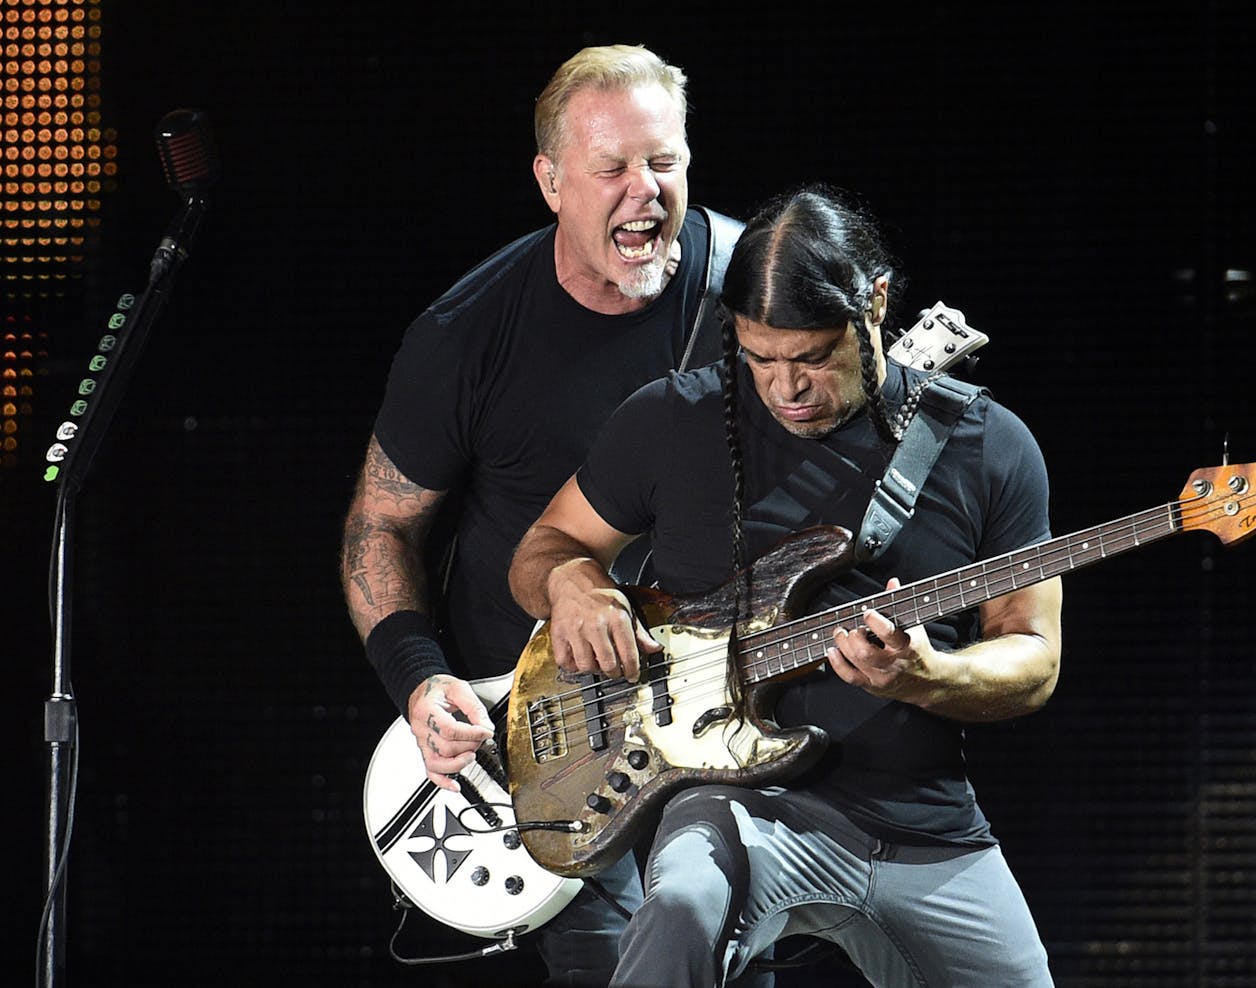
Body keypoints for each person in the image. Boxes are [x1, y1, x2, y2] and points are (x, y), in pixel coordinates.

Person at [507, 184, 1063, 987]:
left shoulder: (989, 445)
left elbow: (1033, 658)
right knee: (683, 904)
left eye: (811, 358)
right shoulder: (668, 421)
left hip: (921, 821)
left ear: (874, 305)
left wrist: (930, 676)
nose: (785, 388)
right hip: (735, 802)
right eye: (758, 358)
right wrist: (572, 583)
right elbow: (545, 544)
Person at [340, 43, 742, 986]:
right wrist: (420, 681)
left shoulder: (755, 291)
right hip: (553, 739)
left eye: (665, 162)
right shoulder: (465, 334)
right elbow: (381, 529)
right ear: (551, 181)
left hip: (724, 711)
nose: (644, 191)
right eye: (611, 170)